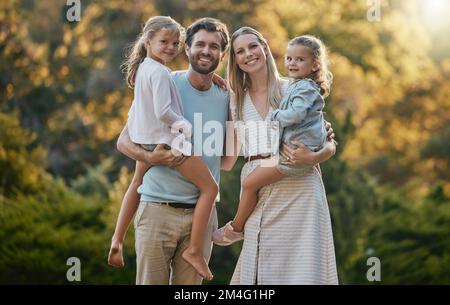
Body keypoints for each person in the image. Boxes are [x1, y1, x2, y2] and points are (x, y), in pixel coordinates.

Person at [114, 17, 230, 285]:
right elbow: (124, 141)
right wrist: (149, 157)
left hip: (200, 220)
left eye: (214, 46)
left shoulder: (227, 96)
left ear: (222, 54)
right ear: (187, 49)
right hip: (157, 211)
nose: (206, 51)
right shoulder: (166, 82)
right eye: (199, 44)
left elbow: (227, 160)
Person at [220, 27, 339, 284]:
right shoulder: (232, 100)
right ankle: (236, 228)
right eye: (240, 51)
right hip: (259, 189)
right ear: (235, 60)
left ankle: (234, 228)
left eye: (253, 46)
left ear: (264, 46)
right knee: (258, 272)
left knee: (303, 271)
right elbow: (228, 158)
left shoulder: (294, 88)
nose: (248, 54)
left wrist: (314, 157)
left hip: (299, 190)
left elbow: (328, 141)